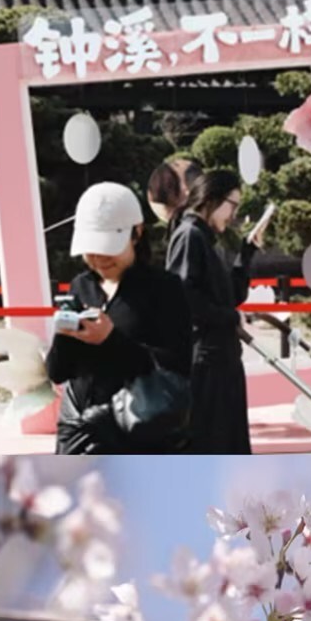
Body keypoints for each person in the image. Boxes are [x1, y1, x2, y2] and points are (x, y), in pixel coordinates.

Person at [44, 182, 191, 454]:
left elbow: (177, 366)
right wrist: (63, 336)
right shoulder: (81, 286)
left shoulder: (164, 288)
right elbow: (58, 372)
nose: (99, 258)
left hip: (139, 433)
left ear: (137, 234)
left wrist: (111, 340)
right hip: (81, 434)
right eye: (91, 249)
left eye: (108, 248)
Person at [169, 170, 265, 454]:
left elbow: (231, 296)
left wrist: (247, 253)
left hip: (221, 360)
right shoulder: (189, 236)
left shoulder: (206, 240)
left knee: (227, 441)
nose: (233, 214)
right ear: (211, 199)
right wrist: (231, 318)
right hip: (206, 363)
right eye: (232, 205)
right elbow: (183, 300)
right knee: (212, 442)